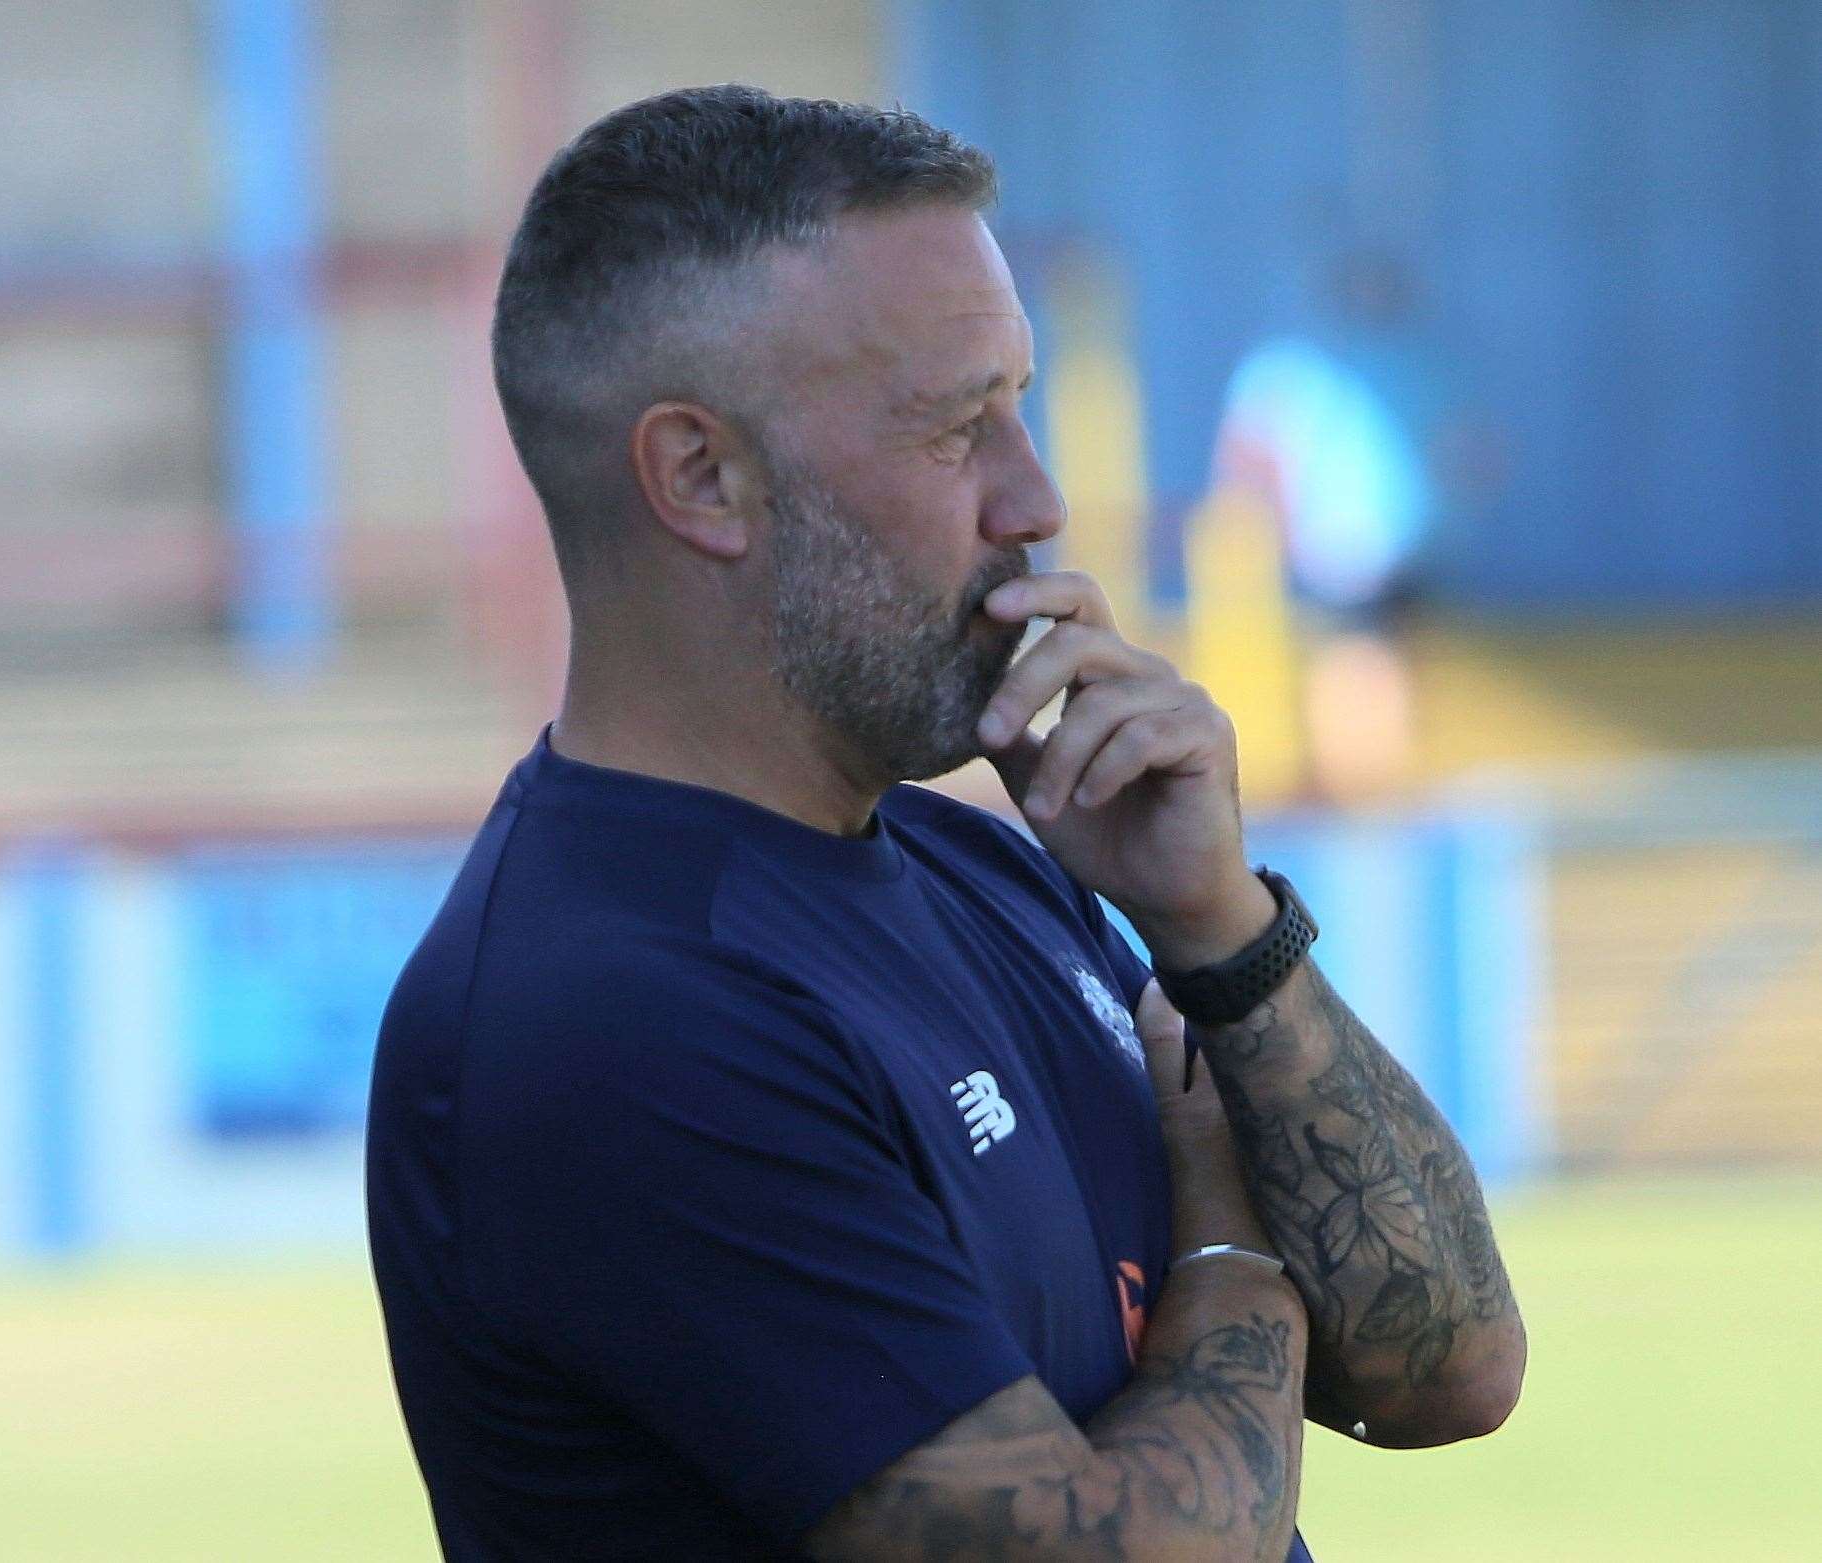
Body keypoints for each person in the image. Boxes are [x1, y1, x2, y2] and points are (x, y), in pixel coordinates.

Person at [366, 86, 1526, 1561]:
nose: (1034, 500)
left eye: (1021, 405)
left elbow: (1451, 1368)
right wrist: (1228, 1245)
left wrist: (1222, 934)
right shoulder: (613, 1013)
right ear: (702, 477)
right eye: (955, 428)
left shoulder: (986, 861)